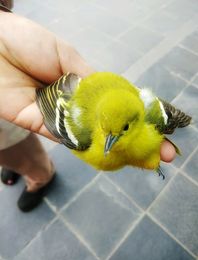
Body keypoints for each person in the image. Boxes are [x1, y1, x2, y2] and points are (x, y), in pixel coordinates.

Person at [0, 2, 176, 212]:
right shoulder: (89, 133)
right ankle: (19, 163)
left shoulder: (132, 117)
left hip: (56, 94)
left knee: (11, 139)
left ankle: (38, 173)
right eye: (105, 129)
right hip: (66, 96)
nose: (109, 141)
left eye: (121, 131)